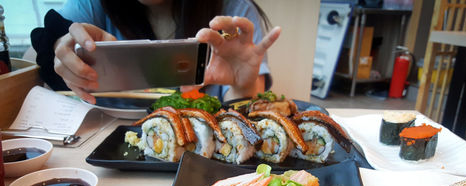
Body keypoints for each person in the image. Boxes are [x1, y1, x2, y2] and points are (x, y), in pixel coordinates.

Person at [30, 0, 281, 104]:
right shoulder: (91, 5)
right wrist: (60, 47)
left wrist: (243, 86)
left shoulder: (235, 11)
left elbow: (246, 119)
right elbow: (50, 45)